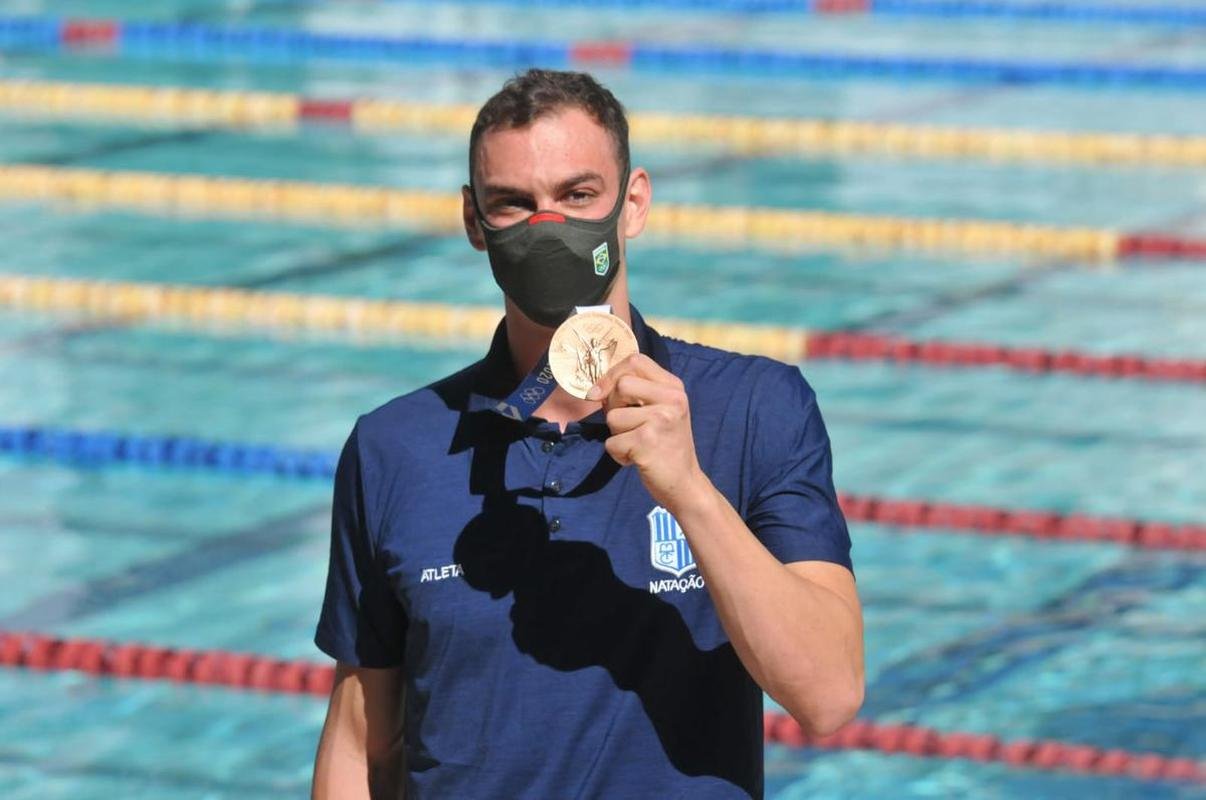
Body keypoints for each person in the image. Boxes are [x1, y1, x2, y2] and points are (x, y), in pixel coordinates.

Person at [311, 69, 864, 799]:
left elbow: (828, 695)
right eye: (514, 203)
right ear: (475, 222)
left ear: (632, 204)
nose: (550, 229)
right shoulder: (395, 447)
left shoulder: (756, 408)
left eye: (578, 197)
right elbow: (361, 744)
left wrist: (689, 491)